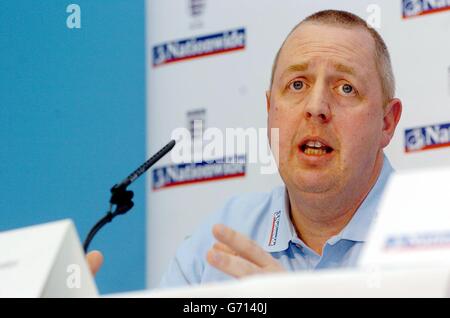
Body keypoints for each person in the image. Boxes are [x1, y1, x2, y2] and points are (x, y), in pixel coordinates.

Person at [87, 9, 402, 288]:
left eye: (346, 88)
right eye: (297, 84)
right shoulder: (220, 242)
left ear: (387, 123)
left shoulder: (432, 233)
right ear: (269, 109)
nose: (316, 106)